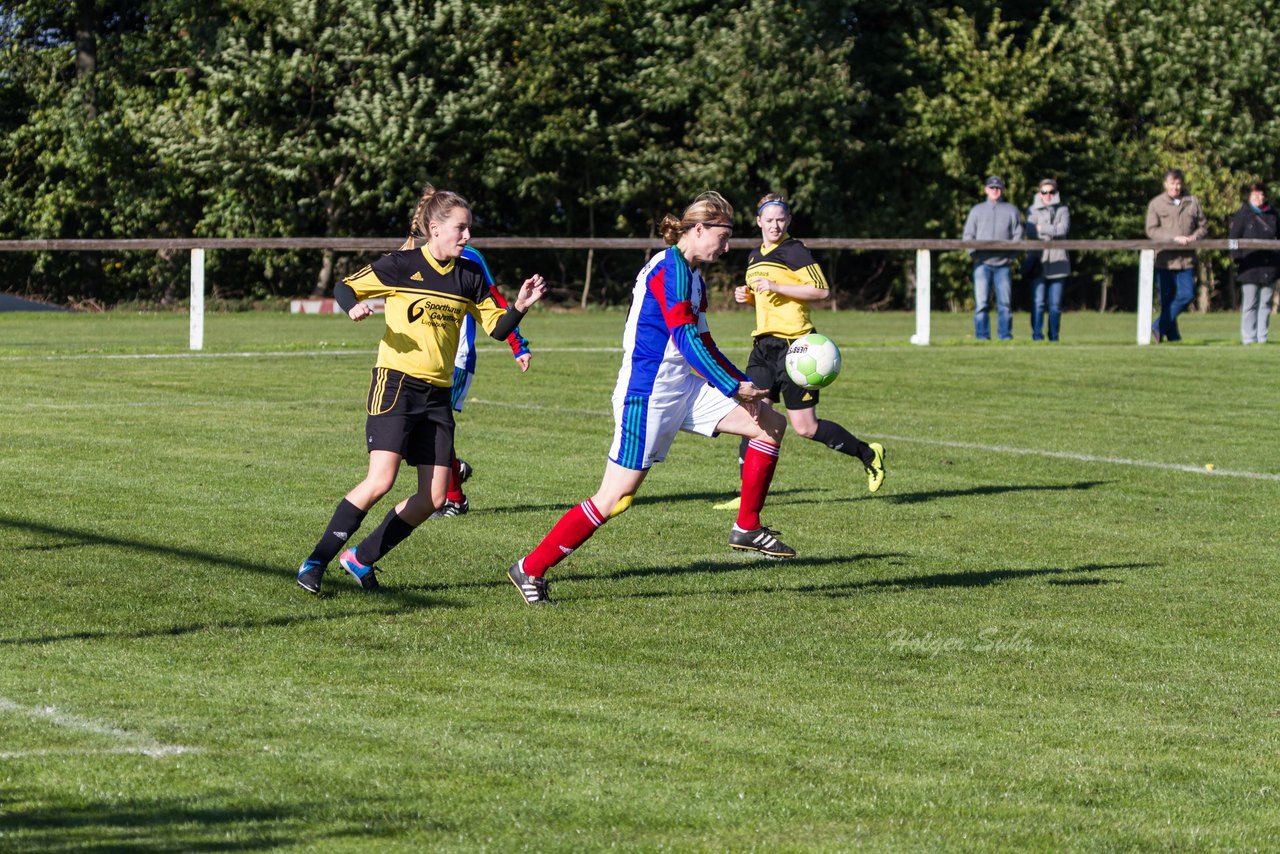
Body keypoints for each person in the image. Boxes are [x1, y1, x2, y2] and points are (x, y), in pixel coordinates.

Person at [506, 191, 793, 606]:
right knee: (614, 497)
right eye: (723, 236)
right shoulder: (670, 269)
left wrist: (742, 385)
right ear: (699, 229)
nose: (727, 246)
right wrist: (734, 387)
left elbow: (705, 340)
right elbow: (684, 337)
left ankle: (746, 526)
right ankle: (530, 568)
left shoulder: (692, 275)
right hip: (648, 395)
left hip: (685, 387)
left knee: (770, 423)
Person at [296, 184, 547, 594]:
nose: (467, 237)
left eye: (469, 230)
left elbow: (498, 330)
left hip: (437, 395)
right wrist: (353, 306)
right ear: (434, 228)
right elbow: (344, 287)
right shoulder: (401, 264)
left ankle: (359, 558)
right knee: (380, 480)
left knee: (432, 498)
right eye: (460, 229)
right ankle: (316, 560)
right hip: (395, 385)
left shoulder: (469, 275)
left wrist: (520, 305)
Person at [721, 193, 884, 504]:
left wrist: (777, 286)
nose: (775, 224)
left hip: (796, 347)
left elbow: (821, 290)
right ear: (758, 222)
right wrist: (748, 296)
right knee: (752, 414)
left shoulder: (794, 250)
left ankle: (868, 453)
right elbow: (765, 297)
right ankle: (746, 496)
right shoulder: (754, 255)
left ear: (788, 220)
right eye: (769, 220)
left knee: (805, 428)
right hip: (762, 346)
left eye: (781, 219)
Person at [392, 209, 533, 519]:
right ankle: (454, 471)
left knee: (434, 431)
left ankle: (453, 498)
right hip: (411, 363)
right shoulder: (409, 256)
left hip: (455, 359)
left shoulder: (469, 259)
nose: (464, 233)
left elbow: (495, 303)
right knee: (414, 433)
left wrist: (516, 344)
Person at [1145, 168, 1208, 343]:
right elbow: (1151, 230)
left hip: (1186, 260)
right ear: (1165, 184)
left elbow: (1203, 226)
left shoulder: (1192, 202)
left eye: (1179, 183)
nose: (1176, 187)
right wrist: (1172, 239)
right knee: (1167, 300)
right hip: (1164, 260)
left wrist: (1195, 236)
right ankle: (1173, 337)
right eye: (1172, 183)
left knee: (1187, 294)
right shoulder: (1156, 204)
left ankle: (1158, 326)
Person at [962, 175, 1024, 341]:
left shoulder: (1011, 210)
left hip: (1003, 265)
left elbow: (1018, 236)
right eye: (991, 187)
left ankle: (1005, 336)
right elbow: (968, 235)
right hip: (982, 264)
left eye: (997, 188)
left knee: (1005, 304)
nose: (995, 190)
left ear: (1002, 190)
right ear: (985, 190)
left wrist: (1011, 257)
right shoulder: (976, 210)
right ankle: (982, 337)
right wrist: (974, 255)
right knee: (981, 304)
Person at [1228, 181, 1279, 345]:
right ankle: (1248, 337)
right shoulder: (1242, 214)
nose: (1259, 197)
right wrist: (1237, 257)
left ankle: (1262, 337)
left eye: (1262, 194)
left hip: (1270, 265)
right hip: (1249, 266)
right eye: (1256, 194)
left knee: (1265, 303)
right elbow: (1233, 238)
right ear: (1250, 196)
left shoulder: (1274, 214)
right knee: (1250, 303)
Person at [1023, 178, 1071, 342]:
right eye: (1044, 192)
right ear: (1039, 193)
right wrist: (1052, 230)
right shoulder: (1031, 210)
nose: (1048, 195)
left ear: (1056, 193)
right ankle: (1037, 336)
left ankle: (1054, 337)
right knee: (1038, 303)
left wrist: (1041, 228)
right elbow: (1030, 231)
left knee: (1055, 306)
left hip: (1059, 263)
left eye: (1051, 192)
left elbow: (1063, 229)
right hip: (1038, 262)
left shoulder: (1063, 209)